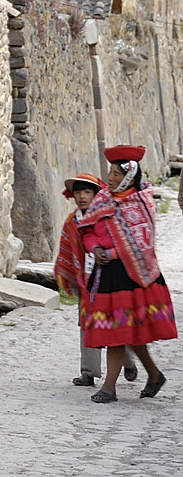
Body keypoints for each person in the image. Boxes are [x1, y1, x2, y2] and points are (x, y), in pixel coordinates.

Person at [77, 145, 178, 403]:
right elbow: (86, 230)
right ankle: (154, 375)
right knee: (126, 332)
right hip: (107, 276)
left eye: (114, 174)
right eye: (109, 173)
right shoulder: (103, 200)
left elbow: (141, 243)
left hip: (134, 276)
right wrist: (95, 248)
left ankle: (109, 388)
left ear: (128, 176)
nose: (109, 178)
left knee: (120, 332)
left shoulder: (141, 202)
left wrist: (108, 254)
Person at [54, 173, 137, 387]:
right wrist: (74, 276)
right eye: (78, 193)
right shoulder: (73, 222)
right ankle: (88, 372)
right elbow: (68, 250)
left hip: (111, 279)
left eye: (87, 192)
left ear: (96, 194)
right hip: (87, 282)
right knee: (87, 324)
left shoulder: (107, 217)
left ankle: (127, 362)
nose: (82, 197)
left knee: (115, 322)